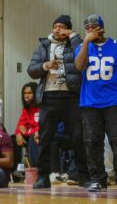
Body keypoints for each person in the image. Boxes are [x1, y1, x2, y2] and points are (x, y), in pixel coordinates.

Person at [28, 15, 89, 189]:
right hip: (49, 97)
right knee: (45, 139)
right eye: (55, 26)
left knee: (78, 138)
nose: (57, 29)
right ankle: (42, 176)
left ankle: (82, 176)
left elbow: (84, 59)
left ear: (68, 29)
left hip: (71, 96)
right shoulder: (44, 45)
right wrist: (45, 66)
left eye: (62, 27)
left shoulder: (74, 44)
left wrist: (74, 36)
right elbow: (31, 70)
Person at [74, 14, 117, 192]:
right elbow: (78, 66)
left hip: (113, 101)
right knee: (92, 141)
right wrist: (86, 42)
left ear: (101, 27)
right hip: (90, 102)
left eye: (93, 27)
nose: (90, 30)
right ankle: (97, 178)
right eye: (87, 28)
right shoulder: (81, 47)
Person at [12, 82, 39, 169]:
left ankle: (36, 169)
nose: (26, 96)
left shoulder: (43, 106)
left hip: (41, 133)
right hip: (32, 133)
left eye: (29, 93)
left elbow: (44, 124)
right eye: (24, 93)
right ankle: (17, 169)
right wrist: (18, 133)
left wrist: (29, 131)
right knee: (13, 138)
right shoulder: (26, 108)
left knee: (32, 138)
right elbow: (21, 124)